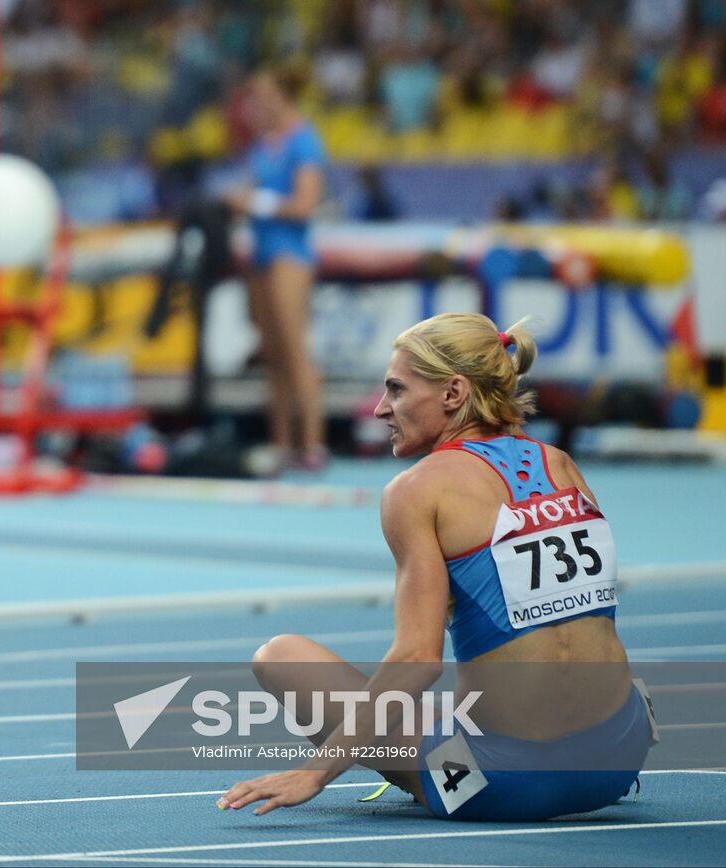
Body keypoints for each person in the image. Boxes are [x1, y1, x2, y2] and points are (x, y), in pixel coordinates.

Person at [220, 313, 655, 821]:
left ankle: (436, 775)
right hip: (618, 759)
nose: (381, 408)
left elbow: (417, 661)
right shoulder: (560, 464)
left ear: (453, 393)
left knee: (282, 657)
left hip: (507, 781)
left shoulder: (416, 489)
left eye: (397, 391)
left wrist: (315, 772)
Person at [225, 67, 327, 475]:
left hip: (290, 254)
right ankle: (281, 444)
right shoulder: (262, 146)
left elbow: (303, 204)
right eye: (253, 100)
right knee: (273, 357)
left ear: (284, 96)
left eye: (264, 97)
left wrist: (253, 204)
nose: (257, 107)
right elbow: (252, 192)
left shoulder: (304, 141)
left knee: (295, 351)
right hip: (261, 254)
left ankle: (313, 445)